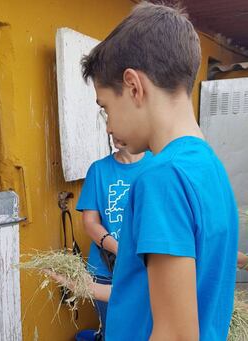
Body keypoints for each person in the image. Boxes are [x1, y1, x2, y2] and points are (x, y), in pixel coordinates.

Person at [48, 2, 239, 340]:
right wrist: (85, 285)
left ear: (134, 86)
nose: (108, 127)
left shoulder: (161, 178)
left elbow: (176, 335)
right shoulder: (211, 168)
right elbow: (149, 297)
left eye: (105, 107)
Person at [76, 136, 151, 338]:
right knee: (114, 330)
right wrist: (121, 249)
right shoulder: (99, 170)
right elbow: (90, 223)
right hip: (105, 268)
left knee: (147, 328)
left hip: (147, 267)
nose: (112, 130)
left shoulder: (157, 165)